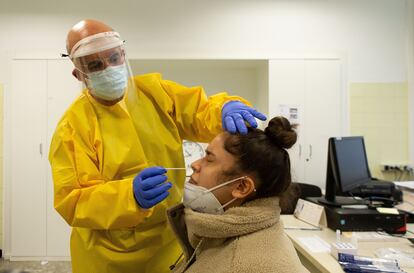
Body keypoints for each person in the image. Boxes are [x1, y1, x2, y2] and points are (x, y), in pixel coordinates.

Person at [49, 19, 266, 273]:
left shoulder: (155, 93)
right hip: (107, 255)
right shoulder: (73, 127)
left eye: (113, 58)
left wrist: (222, 109)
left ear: (123, 55)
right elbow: (72, 201)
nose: (108, 68)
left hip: (168, 241)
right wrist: (128, 197)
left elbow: (199, 111)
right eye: (95, 65)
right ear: (79, 74)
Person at [167, 116, 308, 273]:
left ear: (242, 187)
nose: (195, 165)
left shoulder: (239, 265)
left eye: (209, 159)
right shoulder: (224, 232)